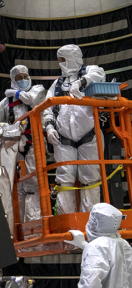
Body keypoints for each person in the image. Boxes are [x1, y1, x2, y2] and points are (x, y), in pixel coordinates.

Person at [42, 45, 105, 214]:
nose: (61, 64)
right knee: (65, 181)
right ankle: (67, 224)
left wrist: (81, 82)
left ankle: (91, 221)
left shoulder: (89, 72)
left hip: (89, 137)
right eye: (59, 61)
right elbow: (47, 109)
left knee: (91, 179)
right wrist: (49, 127)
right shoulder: (57, 85)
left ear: (73, 58)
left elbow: (100, 74)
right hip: (63, 140)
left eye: (64, 60)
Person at [0, 65, 45, 222]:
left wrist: (15, 93)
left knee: (34, 187)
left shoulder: (38, 90)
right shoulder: (6, 103)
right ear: (13, 80)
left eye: (25, 76)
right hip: (15, 150)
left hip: (34, 147)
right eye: (19, 78)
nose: (23, 80)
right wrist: (7, 130)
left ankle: (35, 227)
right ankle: (21, 228)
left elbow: (32, 99)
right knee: (19, 189)